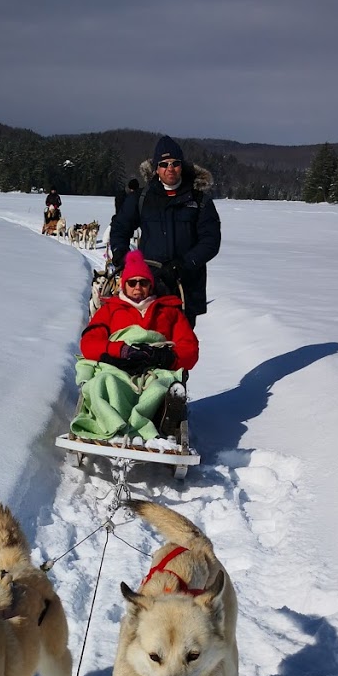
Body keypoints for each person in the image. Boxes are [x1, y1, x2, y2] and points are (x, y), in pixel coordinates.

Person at [71, 251, 198, 445]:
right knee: (104, 382)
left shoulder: (169, 311)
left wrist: (164, 356)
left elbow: (190, 349)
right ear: (124, 285)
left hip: (156, 368)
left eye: (143, 282)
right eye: (132, 282)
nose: (138, 287)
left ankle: (166, 418)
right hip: (117, 366)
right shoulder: (110, 310)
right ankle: (116, 423)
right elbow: (89, 343)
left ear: (150, 285)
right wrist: (120, 351)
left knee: (159, 387)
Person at [108, 136, 220, 327]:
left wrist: (184, 264)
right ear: (156, 168)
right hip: (148, 286)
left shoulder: (199, 200)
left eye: (175, 163)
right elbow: (120, 227)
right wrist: (121, 254)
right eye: (164, 163)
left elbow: (210, 241)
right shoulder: (142, 198)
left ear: (182, 166)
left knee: (181, 345)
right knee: (147, 341)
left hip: (185, 285)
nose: (170, 168)